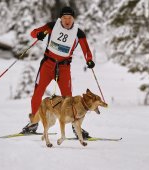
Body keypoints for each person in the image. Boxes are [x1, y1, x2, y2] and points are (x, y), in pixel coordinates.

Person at [22, 6, 95, 139]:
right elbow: (33, 33)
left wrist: (89, 60)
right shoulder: (52, 26)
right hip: (47, 65)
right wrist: (39, 34)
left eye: (70, 18)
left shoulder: (79, 33)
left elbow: (86, 50)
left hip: (64, 68)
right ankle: (33, 123)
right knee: (37, 93)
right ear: (60, 18)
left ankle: (75, 126)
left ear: (73, 19)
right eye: (64, 18)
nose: (67, 21)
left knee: (69, 99)